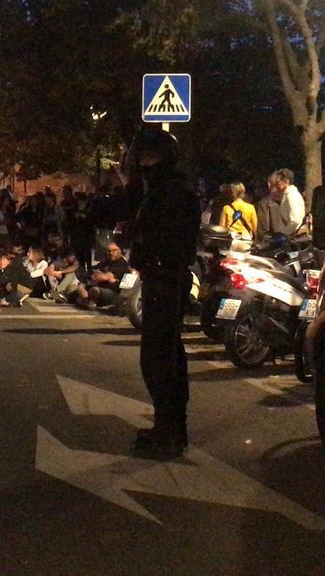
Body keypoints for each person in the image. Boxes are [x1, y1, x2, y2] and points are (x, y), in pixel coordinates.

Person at [126, 126, 200, 459]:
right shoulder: (160, 189)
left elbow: (167, 237)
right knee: (164, 356)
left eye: (150, 156)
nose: (144, 163)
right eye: (142, 157)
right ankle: (169, 427)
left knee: (160, 359)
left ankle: (169, 430)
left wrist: (141, 240)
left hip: (166, 279)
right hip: (160, 278)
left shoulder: (171, 191)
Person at [75, 241, 130, 309]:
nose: (111, 253)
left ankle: (87, 302)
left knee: (94, 290)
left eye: (113, 251)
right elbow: (91, 271)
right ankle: (86, 301)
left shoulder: (123, 264)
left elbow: (105, 278)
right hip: (101, 286)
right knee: (81, 286)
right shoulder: (107, 262)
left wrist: (102, 275)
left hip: (113, 291)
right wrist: (96, 275)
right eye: (109, 251)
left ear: (120, 251)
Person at [257, 168, 305, 237]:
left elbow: (295, 221)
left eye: (278, 181)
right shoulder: (289, 194)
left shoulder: (291, 195)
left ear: (286, 181)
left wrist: (283, 234)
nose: (276, 184)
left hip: (292, 237)